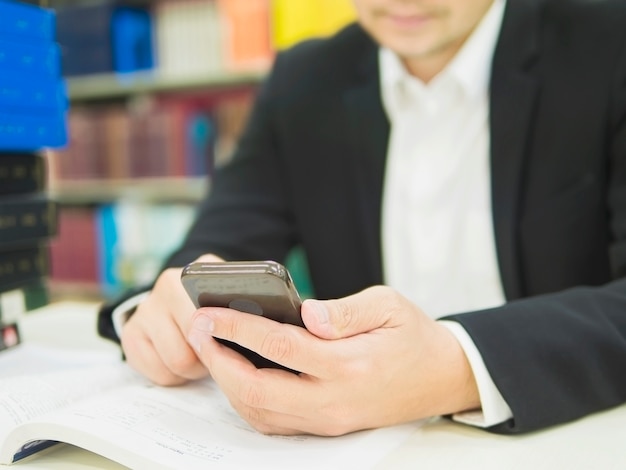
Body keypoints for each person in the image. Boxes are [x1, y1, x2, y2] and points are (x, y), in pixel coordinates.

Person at [98, 0, 626, 436]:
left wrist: (454, 367)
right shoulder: (304, 80)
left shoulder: (609, 44)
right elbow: (218, 241)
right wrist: (161, 309)